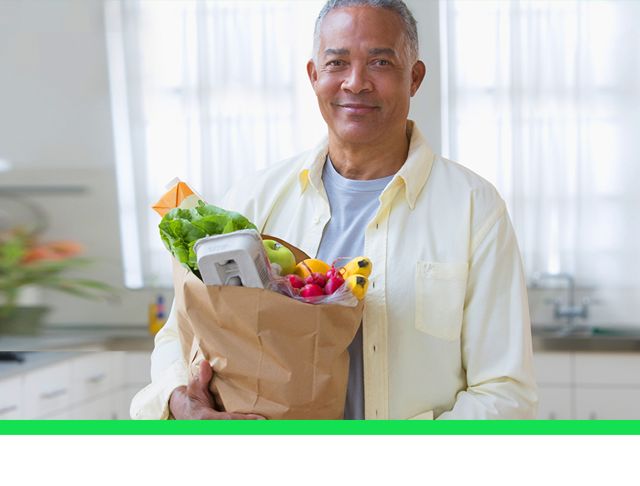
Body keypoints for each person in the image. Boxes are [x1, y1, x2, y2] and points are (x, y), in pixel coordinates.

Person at [131, 0, 537, 420]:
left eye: (380, 62)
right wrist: (180, 400)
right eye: (337, 63)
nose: (356, 83)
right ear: (314, 76)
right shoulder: (253, 199)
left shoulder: (473, 208)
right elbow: (178, 338)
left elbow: (505, 393)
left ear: (414, 78)